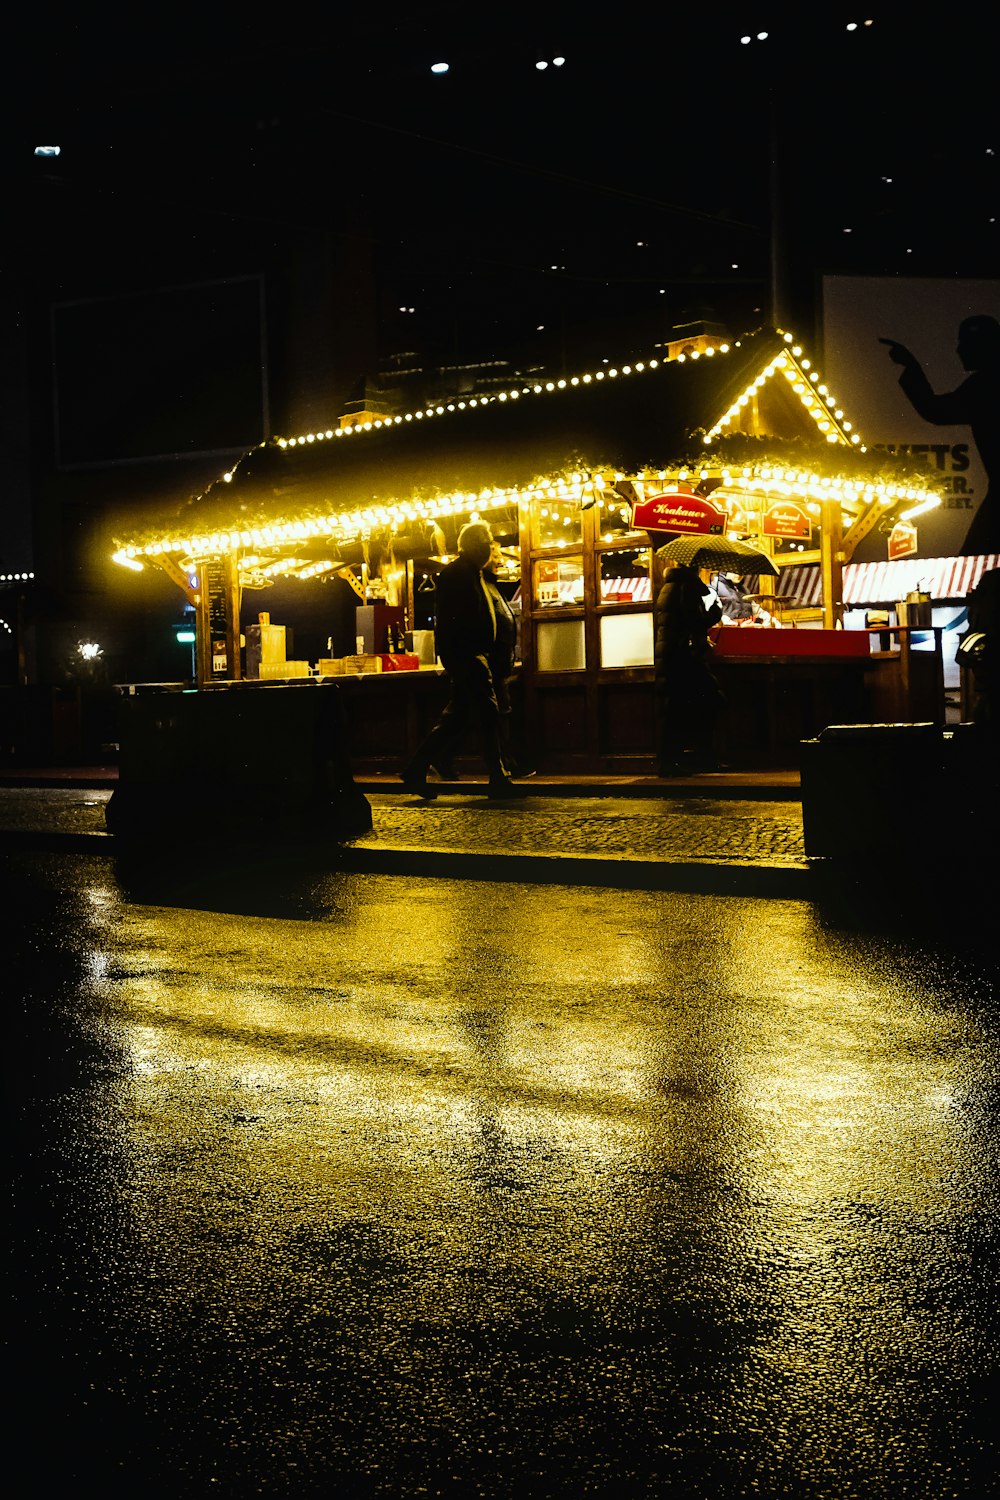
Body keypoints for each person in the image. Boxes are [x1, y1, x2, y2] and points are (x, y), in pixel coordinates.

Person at [400, 521, 522, 800]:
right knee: (488, 713)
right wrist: (461, 658)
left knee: (457, 717)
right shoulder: (457, 575)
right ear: (474, 546)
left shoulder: (474, 574)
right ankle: (498, 776)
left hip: (474, 656)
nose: (490, 550)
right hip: (468, 655)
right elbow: (452, 623)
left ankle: (416, 769)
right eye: (486, 544)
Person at [880, 315, 1000, 555]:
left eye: (964, 342)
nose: (958, 350)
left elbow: (935, 410)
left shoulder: (985, 385)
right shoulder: (985, 383)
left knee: (974, 566)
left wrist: (911, 366)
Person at [653, 560, 725, 775]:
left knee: (677, 708)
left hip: (672, 656)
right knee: (708, 701)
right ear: (695, 569)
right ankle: (698, 759)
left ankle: (674, 761)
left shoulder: (670, 585)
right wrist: (715, 610)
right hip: (685, 657)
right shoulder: (688, 587)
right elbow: (696, 621)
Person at [712, 571, 779, 626]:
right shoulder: (714, 588)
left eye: (742, 572)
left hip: (748, 628)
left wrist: (766, 618)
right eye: (735, 571)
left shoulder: (744, 590)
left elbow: (755, 609)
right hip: (727, 632)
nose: (739, 575)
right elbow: (712, 615)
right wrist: (737, 625)